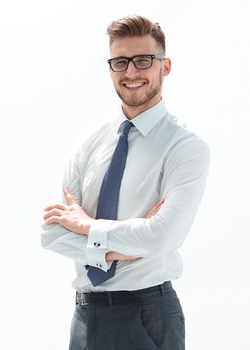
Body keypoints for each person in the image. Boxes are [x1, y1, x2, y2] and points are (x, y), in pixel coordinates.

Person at [41, 15, 210, 350]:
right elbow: (52, 233)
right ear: (110, 68)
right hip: (85, 316)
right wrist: (118, 251)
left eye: (143, 60)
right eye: (121, 62)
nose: (131, 72)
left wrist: (89, 228)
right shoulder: (88, 144)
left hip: (146, 313)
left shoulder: (185, 147)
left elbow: (163, 235)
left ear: (165, 66)